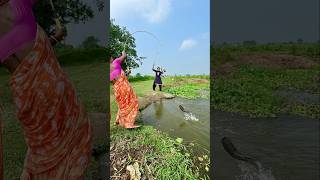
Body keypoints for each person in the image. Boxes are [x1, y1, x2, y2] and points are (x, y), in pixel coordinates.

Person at [0, 0, 92, 179]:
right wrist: (57, 35)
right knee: (77, 130)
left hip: (24, 94)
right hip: (50, 86)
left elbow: (20, 54)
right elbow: (32, 53)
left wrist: (55, 38)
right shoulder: (18, 4)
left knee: (41, 149)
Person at [110, 51, 140, 129]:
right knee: (133, 101)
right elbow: (124, 56)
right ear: (110, 58)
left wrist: (127, 73)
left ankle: (118, 121)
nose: (113, 58)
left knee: (122, 105)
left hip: (116, 89)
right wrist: (123, 53)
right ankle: (129, 123)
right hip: (124, 87)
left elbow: (116, 77)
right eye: (112, 57)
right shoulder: (115, 62)